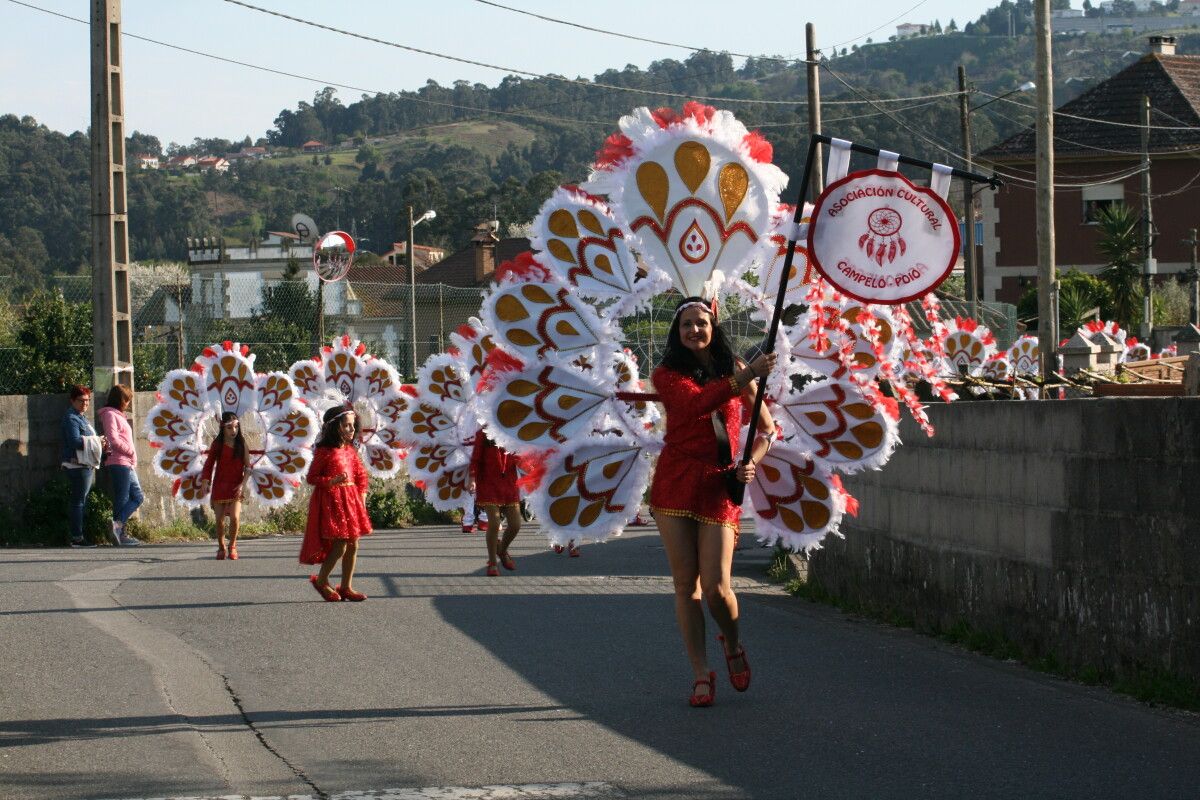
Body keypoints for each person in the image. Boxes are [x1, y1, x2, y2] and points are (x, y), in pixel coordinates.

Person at [649, 296, 776, 708]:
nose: (693, 331)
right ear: (676, 331)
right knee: (687, 586)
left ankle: (733, 643)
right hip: (675, 484)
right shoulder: (666, 374)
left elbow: (767, 430)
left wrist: (750, 464)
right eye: (686, 324)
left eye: (700, 323)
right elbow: (694, 405)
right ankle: (701, 673)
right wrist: (746, 377)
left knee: (718, 588)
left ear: (713, 326)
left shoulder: (737, 371)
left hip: (721, 486)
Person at [299, 405, 372, 601]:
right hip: (332, 502)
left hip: (351, 501)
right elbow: (312, 477)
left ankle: (346, 587)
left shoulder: (350, 451)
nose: (352, 430)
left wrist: (362, 497)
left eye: (353, 426)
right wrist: (330, 481)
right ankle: (321, 580)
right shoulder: (324, 451)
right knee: (339, 545)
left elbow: (361, 475)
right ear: (335, 427)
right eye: (347, 426)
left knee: (354, 544)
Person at [468, 431, 522, 577]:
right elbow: (476, 458)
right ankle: (492, 562)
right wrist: (472, 478)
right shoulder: (483, 433)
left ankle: (502, 550)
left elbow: (522, 456)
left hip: (510, 485)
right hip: (488, 484)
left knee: (516, 524)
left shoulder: (514, 431)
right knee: (494, 522)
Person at [199, 412, 250, 560]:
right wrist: (205, 481)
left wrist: (243, 484)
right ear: (222, 428)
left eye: (236, 427)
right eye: (229, 427)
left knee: (234, 518)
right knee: (219, 520)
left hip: (236, 486)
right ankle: (221, 546)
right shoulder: (217, 445)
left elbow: (248, 467)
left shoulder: (242, 444)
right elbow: (208, 465)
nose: (233, 431)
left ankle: (232, 545)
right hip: (219, 486)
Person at [98, 385, 143, 547]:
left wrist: (131, 456)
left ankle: (119, 528)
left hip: (126, 463)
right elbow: (113, 439)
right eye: (126, 400)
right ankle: (119, 530)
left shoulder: (118, 415)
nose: (128, 403)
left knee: (136, 497)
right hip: (119, 461)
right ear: (119, 399)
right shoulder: (110, 414)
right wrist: (130, 451)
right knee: (126, 497)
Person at [61, 385, 103, 548]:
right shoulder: (72, 418)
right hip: (77, 465)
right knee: (78, 501)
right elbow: (74, 441)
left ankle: (79, 535)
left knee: (81, 501)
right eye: (81, 400)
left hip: (84, 464)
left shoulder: (81, 417)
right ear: (72, 400)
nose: (85, 403)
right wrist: (97, 441)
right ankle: (77, 537)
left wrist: (98, 441)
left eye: (88, 400)